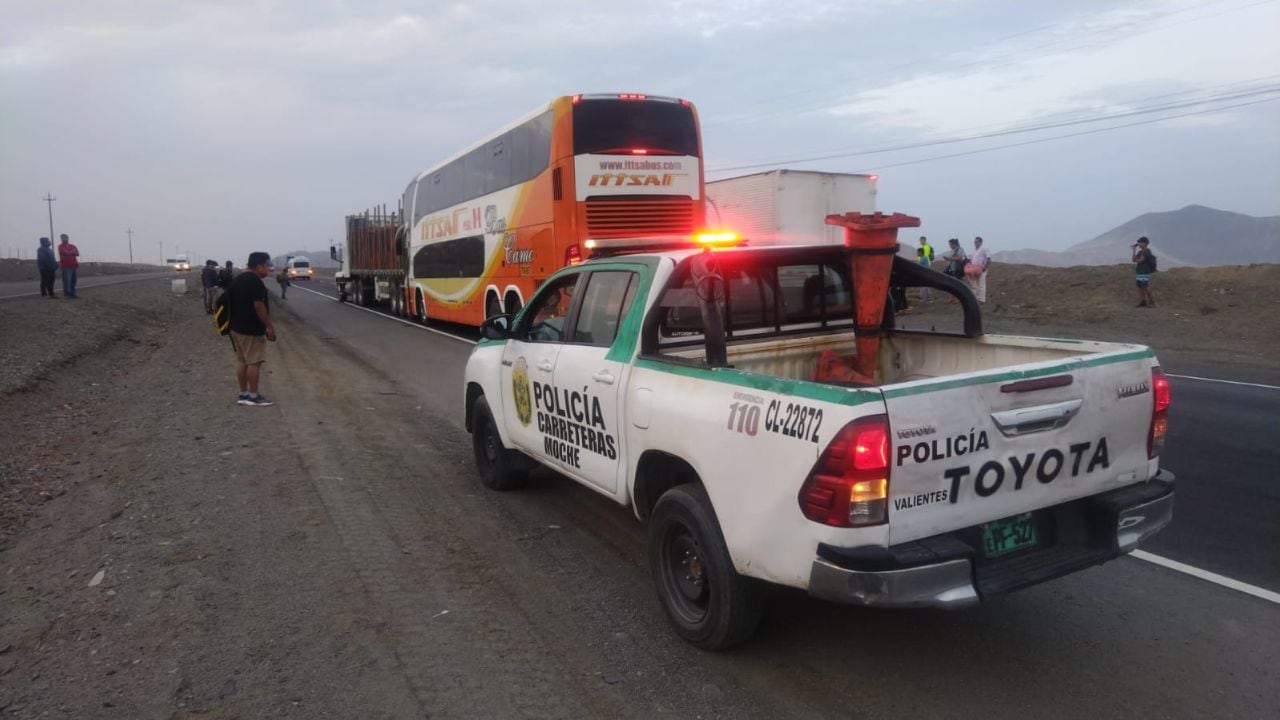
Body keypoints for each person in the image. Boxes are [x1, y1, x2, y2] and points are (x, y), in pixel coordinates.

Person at [226, 252, 277, 406]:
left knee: (242, 361)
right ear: (259, 266)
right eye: (267, 266)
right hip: (251, 329)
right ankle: (254, 397)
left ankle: (243, 394)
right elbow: (258, 305)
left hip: (236, 328)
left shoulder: (238, 279)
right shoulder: (255, 282)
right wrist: (269, 326)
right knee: (254, 362)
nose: (268, 269)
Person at [1133, 236, 1156, 308]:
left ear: (1145, 243)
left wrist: (1137, 260)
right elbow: (1133, 259)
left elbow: (1141, 260)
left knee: (1145, 286)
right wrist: (1134, 250)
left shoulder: (1147, 251)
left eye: (1140, 242)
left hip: (1144, 271)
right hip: (1140, 271)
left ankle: (1152, 302)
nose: (1139, 244)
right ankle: (1143, 301)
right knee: (1140, 286)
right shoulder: (1140, 252)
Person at [966, 236, 989, 304]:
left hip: (981, 269)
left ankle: (981, 299)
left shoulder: (984, 249)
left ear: (981, 242)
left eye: (977, 242)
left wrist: (985, 267)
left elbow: (989, 258)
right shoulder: (974, 251)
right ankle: (975, 298)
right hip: (974, 269)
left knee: (981, 284)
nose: (975, 243)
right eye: (975, 242)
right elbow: (972, 260)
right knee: (974, 284)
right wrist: (969, 264)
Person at [57, 233, 80, 299]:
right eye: (61, 238)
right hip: (66, 266)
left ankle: (73, 293)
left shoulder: (72, 245)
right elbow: (66, 253)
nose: (63, 239)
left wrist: (70, 252)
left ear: (67, 238)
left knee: (73, 280)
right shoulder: (60, 246)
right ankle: (67, 294)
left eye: (64, 238)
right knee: (67, 280)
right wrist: (72, 252)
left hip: (74, 265)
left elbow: (77, 253)